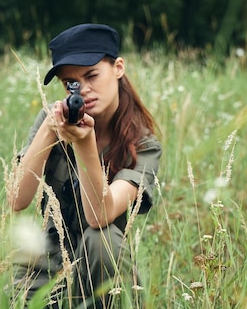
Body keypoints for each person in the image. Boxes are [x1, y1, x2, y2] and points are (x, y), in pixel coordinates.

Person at [11, 23, 161, 308]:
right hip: (49, 260)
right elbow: (17, 199)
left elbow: (98, 217)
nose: (84, 89)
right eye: (71, 83)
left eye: (92, 75)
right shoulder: (52, 121)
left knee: (101, 238)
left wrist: (84, 143)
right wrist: (49, 128)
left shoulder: (144, 145)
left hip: (104, 273)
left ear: (118, 68)